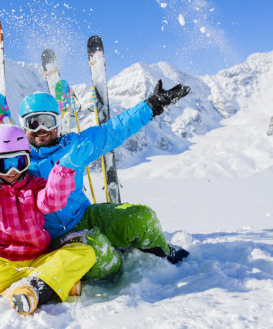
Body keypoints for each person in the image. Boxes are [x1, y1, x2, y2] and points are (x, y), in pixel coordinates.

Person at [17, 79, 191, 268]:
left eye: (47, 121)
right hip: (53, 237)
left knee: (142, 217)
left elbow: (113, 131)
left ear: (57, 122)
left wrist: (152, 105)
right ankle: (119, 261)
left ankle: (160, 250)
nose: (41, 130)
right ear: (23, 127)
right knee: (99, 256)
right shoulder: (15, 161)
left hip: (85, 216)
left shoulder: (74, 146)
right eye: (33, 123)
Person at [0, 124, 96, 315]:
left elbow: (52, 202)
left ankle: (29, 286)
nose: (11, 171)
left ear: (27, 160)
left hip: (39, 259)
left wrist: (65, 169)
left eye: (18, 162)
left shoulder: (35, 186)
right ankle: (51, 282)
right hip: (2, 262)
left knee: (84, 253)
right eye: (3, 164)